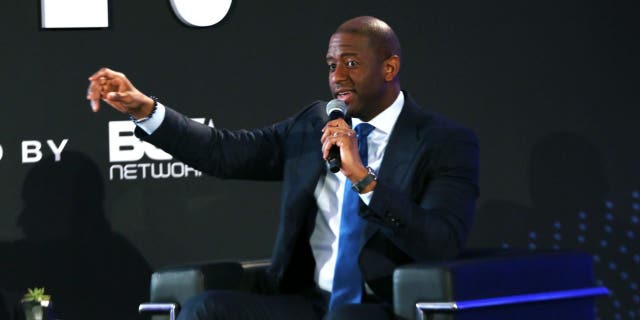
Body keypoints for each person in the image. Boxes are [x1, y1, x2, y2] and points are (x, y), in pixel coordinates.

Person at [86, 16, 478, 320]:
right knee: (207, 310)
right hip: (307, 304)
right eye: (331, 65)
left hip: (386, 307)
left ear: (389, 68)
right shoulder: (314, 125)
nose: (337, 77)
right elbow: (224, 152)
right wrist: (146, 111)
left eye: (352, 63)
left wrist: (364, 179)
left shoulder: (442, 141)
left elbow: (440, 241)